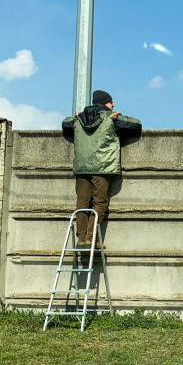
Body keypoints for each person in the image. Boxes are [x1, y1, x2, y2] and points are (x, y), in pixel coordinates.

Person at [62, 90, 142, 247]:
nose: (113, 105)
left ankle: (81, 238)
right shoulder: (111, 117)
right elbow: (136, 125)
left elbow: (65, 124)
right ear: (106, 103)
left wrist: (77, 116)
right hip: (102, 167)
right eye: (112, 103)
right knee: (99, 202)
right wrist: (115, 116)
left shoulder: (79, 119)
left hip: (82, 167)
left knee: (82, 202)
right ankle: (91, 239)